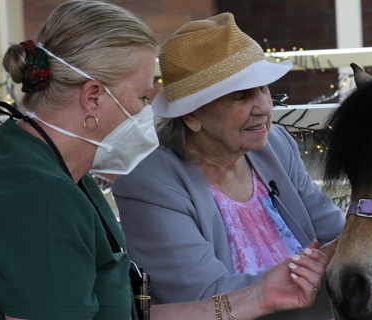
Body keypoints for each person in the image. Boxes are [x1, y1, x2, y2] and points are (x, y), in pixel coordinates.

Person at [0, 1, 329, 320]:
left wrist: (257, 296)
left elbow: (125, 312)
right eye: (144, 99)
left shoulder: (48, 168)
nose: (150, 115)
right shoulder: (38, 196)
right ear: (93, 98)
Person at [111, 13, 345, 320]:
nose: (263, 108)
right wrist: (312, 269)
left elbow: (335, 234)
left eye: (263, 89)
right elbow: (204, 298)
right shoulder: (149, 180)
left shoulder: (274, 146)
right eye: (241, 96)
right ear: (192, 116)